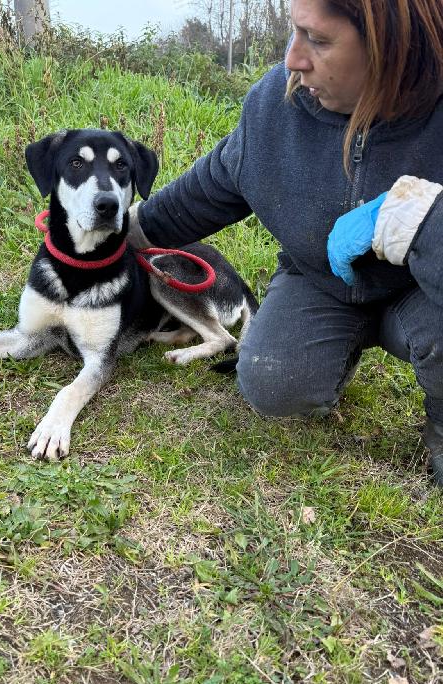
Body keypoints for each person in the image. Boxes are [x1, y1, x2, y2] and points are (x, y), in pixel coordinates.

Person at [128, 0, 443, 486]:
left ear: (393, 43)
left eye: (318, 40)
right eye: (294, 33)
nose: (293, 59)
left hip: (424, 290)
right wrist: (119, 235)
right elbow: (211, 187)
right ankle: (342, 342)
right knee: (271, 382)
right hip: (319, 278)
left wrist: (414, 216)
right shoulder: (277, 101)